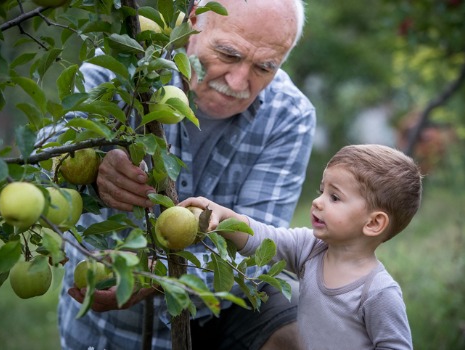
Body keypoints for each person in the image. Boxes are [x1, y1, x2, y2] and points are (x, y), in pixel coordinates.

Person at [57, 0, 316, 349]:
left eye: (265, 67)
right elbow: (46, 149)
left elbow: (258, 253)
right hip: (107, 329)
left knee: (304, 324)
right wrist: (91, 162)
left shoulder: (290, 114)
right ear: (193, 23)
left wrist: (158, 272)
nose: (239, 80)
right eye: (228, 53)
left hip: (215, 316)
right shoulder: (123, 67)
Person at [181, 144, 423, 350]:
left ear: (373, 223)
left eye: (334, 197)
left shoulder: (378, 292)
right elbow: (263, 238)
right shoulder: (311, 248)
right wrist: (222, 216)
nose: (317, 202)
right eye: (322, 191)